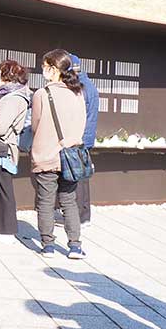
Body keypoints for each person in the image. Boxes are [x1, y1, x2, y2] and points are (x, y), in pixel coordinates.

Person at [28, 49, 87, 258]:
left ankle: (48, 245)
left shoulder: (42, 94)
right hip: (70, 156)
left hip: (46, 155)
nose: (42, 70)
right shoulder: (78, 93)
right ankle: (75, 245)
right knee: (69, 201)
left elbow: (35, 125)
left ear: (53, 69)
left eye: (45, 66)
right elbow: (82, 124)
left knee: (45, 201)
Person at [0, 60, 31, 243]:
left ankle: (5, 231)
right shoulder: (5, 96)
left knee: (1, 191)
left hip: (2, 150)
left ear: (6, 76)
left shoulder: (13, 98)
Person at [69, 53, 99, 224]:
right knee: (83, 178)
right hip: (87, 137)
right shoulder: (90, 85)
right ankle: (85, 214)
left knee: (77, 179)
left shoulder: (79, 88)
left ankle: (79, 216)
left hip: (79, 137)